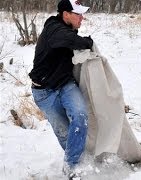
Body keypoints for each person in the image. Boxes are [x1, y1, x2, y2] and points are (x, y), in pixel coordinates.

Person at [28, 0, 93, 176]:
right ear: (65, 14)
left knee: (80, 117)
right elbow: (70, 40)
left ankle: (72, 165)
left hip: (65, 85)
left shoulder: (66, 28)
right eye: (78, 14)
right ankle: (74, 157)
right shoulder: (54, 30)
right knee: (63, 131)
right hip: (44, 92)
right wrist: (87, 41)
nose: (82, 18)